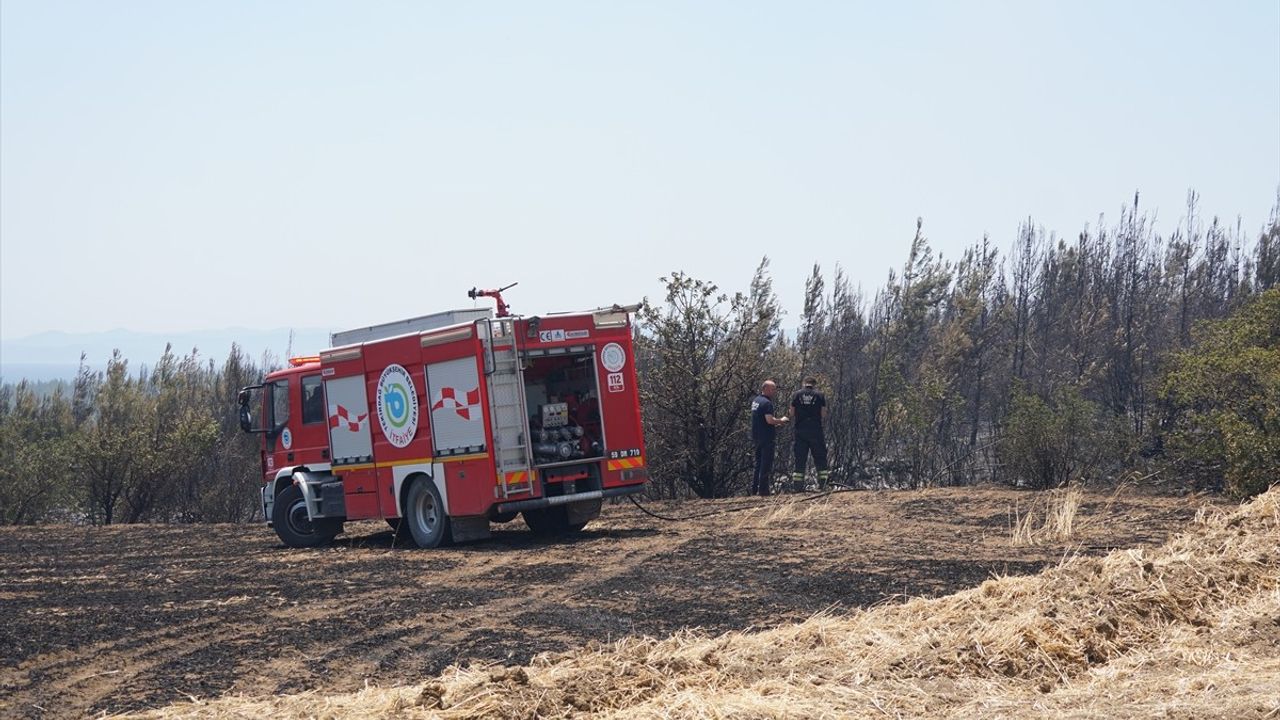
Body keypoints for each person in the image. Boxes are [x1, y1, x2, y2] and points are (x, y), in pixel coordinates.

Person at [790, 376, 829, 491]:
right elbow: (823, 414)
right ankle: (823, 484)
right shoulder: (820, 395)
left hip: (800, 430)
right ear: (814, 384)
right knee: (820, 457)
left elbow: (792, 412)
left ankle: (798, 486)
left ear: (804, 383)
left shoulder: (796, 395)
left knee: (800, 458)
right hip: (815, 430)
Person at [750, 380, 789, 496]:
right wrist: (781, 420)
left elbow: (761, 419)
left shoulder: (756, 401)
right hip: (766, 437)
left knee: (758, 463)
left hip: (756, 436)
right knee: (766, 463)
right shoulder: (767, 403)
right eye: (772, 389)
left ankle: (755, 488)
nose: (774, 391)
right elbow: (769, 420)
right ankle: (763, 490)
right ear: (765, 388)